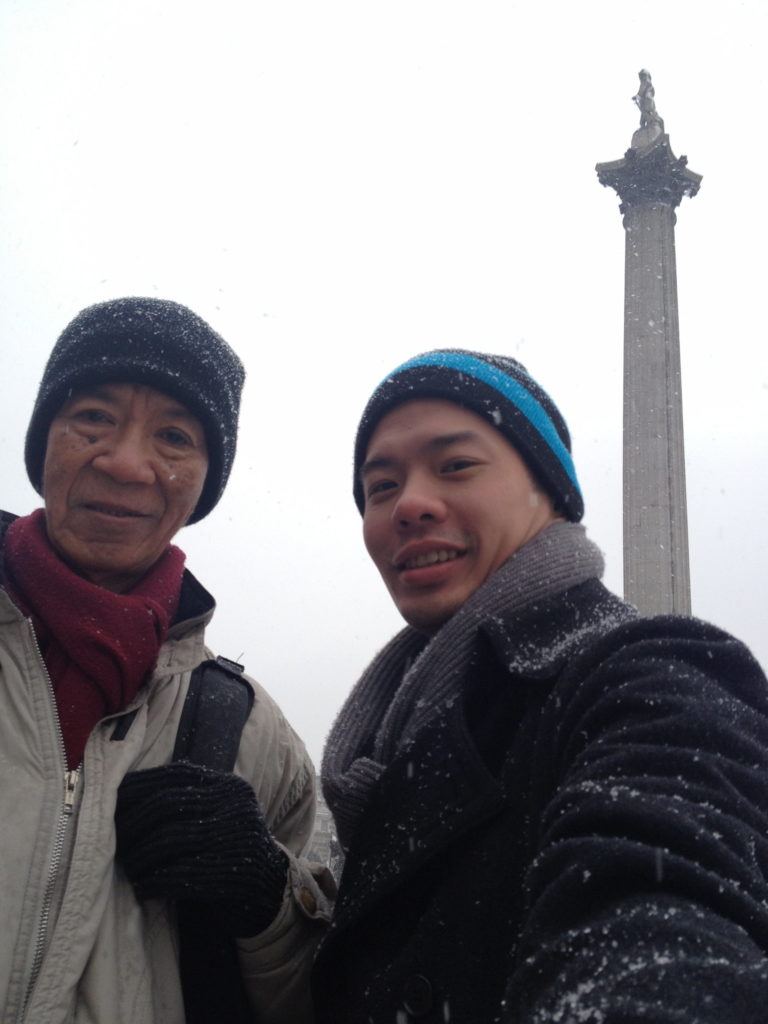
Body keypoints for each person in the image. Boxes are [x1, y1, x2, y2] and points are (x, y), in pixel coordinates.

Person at [313, 349, 768, 1023]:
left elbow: (659, 925)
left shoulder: (651, 675)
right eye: (381, 487)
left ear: (551, 492)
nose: (409, 504)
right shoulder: (385, 741)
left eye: (456, 465)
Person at [0, 297, 332, 1024]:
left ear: (204, 484)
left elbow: (320, 998)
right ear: (43, 441)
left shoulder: (249, 735)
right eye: (92, 417)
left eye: (175, 437)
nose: (125, 463)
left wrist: (269, 903)